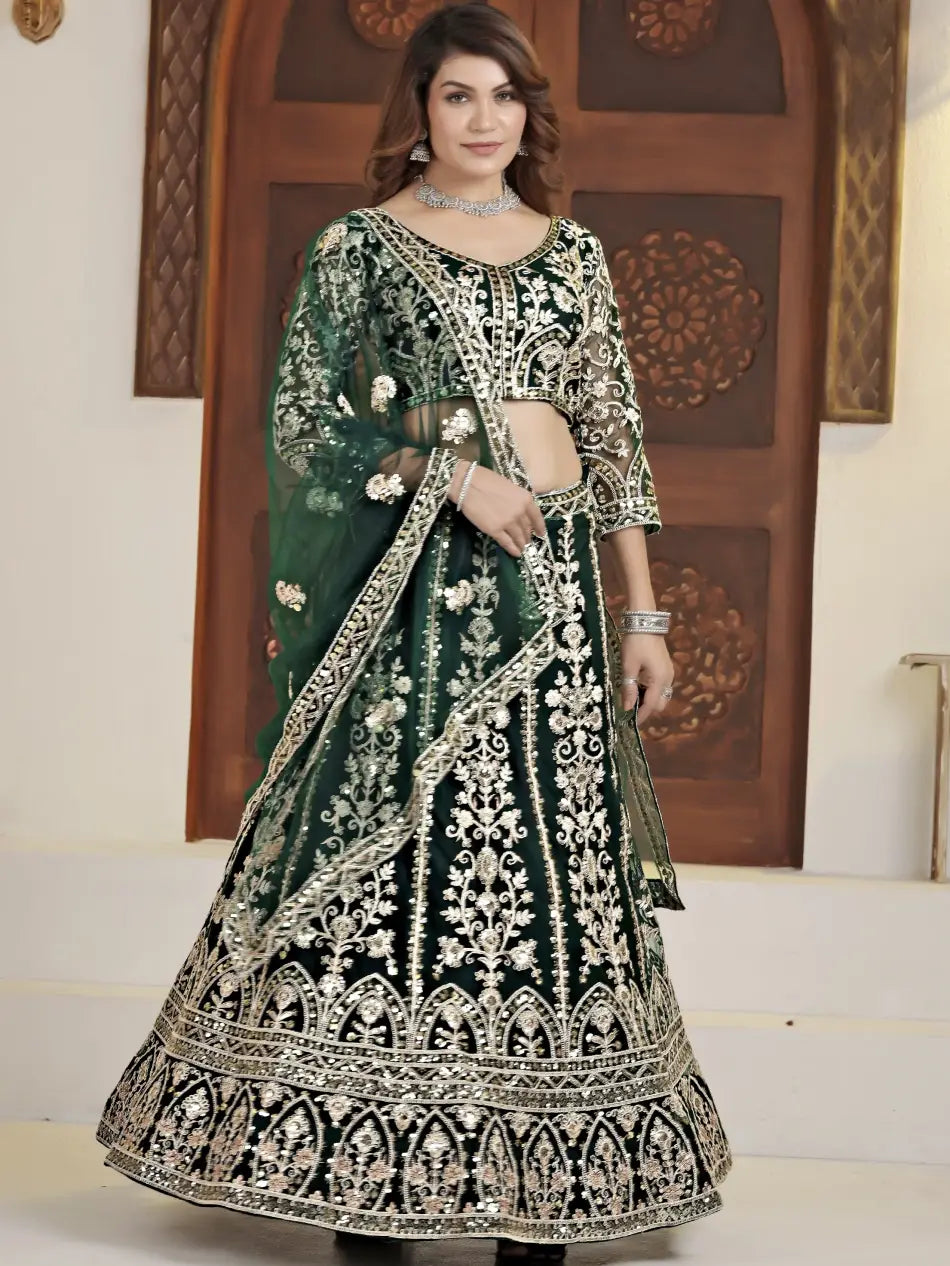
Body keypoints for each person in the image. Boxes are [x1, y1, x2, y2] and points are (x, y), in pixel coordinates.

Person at [95, 4, 732, 1260]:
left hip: (555, 598)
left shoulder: (574, 254)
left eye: (504, 96)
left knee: (550, 868)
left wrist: (643, 613)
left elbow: (613, 441)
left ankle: (543, 1188)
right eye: (457, 95)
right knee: (399, 852)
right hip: (415, 598)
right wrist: (450, 475)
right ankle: (370, 1181)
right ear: (420, 111)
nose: (483, 119)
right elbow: (304, 427)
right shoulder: (359, 249)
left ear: (528, 115)